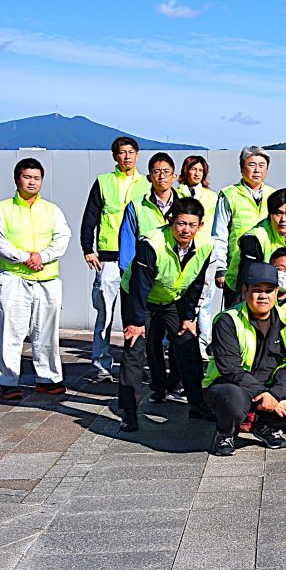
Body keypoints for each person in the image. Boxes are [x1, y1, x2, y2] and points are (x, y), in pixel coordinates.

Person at [117, 198, 212, 431]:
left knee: (187, 343)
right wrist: (136, 322)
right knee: (134, 349)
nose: (186, 230)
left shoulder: (206, 245)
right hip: (141, 299)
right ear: (171, 221)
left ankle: (197, 403)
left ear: (200, 226)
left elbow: (197, 282)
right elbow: (140, 285)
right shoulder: (151, 243)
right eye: (181, 223)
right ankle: (129, 412)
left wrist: (189, 317)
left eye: (192, 224)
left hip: (172, 298)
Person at [203, 262, 286, 456]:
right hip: (232, 385)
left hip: (270, 385)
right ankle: (225, 433)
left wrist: (276, 394)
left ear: (276, 292)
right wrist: (263, 394)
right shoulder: (227, 320)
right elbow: (231, 369)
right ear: (245, 291)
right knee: (233, 400)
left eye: (269, 290)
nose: (263, 296)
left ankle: (265, 427)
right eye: (257, 290)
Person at [0, 158, 71, 400]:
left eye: (37, 178)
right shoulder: (1, 209)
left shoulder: (52, 210)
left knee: (47, 331)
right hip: (14, 277)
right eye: (27, 177)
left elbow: (62, 238)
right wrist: (25, 258)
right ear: (17, 179)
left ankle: (48, 378)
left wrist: (42, 256)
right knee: (11, 331)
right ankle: (8, 380)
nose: (32, 182)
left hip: (47, 279)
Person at [82, 136, 150, 383]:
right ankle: (101, 363)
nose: (127, 157)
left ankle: (136, 364)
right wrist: (87, 248)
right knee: (105, 314)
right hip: (109, 258)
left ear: (137, 155)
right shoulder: (103, 182)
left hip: (139, 259)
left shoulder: (147, 183)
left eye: (131, 152)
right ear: (114, 156)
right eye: (122, 153)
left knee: (138, 315)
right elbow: (90, 217)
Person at [213, 146, 274, 307]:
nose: (256, 170)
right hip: (237, 270)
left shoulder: (273, 195)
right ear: (241, 168)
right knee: (236, 317)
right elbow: (219, 233)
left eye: (261, 165)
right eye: (251, 164)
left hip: (268, 268)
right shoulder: (229, 194)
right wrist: (220, 268)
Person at [234, 189, 286, 299]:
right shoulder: (255, 237)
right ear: (270, 214)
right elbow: (245, 281)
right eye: (278, 213)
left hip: (284, 295)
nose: (283, 220)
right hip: (249, 292)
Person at [177, 155, 219, 354]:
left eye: (200, 170)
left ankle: (203, 343)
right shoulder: (177, 193)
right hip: (182, 250)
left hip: (204, 250)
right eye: (193, 169)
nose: (196, 173)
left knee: (205, 301)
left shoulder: (212, 196)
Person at [118, 152, 180, 273]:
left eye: (166, 172)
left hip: (176, 275)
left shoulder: (185, 204)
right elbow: (127, 245)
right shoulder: (136, 205)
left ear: (174, 177)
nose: (162, 176)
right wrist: (128, 277)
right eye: (156, 172)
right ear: (149, 177)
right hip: (144, 273)